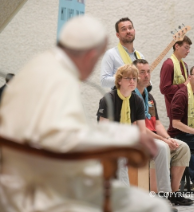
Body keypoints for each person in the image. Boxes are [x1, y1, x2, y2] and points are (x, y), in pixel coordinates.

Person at [0, 15, 170, 212]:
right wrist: (129, 137)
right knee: (153, 206)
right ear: (90, 55)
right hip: (43, 187)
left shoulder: (42, 65)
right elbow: (67, 139)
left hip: (33, 175)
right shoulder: (58, 79)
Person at [133, 59, 193, 205]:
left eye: (148, 71)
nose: (147, 75)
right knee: (162, 147)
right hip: (141, 138)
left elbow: (157, 122)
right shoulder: (131, 97)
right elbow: (139, 128)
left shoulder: (150, 97)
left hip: (156, 136)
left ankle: (174, 192)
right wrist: (164, 140)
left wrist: (168, 137)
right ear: (134, 75)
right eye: (142, 72)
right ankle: (159, 194)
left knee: (182, 147)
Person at [100, 17, 144, 88]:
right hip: (119, 98)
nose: (128, 31)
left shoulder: (140, 56)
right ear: (118, 35)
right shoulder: (111, 54)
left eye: (130, 28)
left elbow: (145, 80)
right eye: (124, 29)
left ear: (134, 31)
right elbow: (104, 81)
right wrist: (125, 78)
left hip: (138, 98)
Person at [159, 36, 192, 118]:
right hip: (174, 109)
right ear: (177, 46)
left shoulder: (184, 65)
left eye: (189, 48)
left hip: (185, 107)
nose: (188, 51)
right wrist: (183, 85)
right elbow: (164, 89)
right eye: (186, 48)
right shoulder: (168, 64)